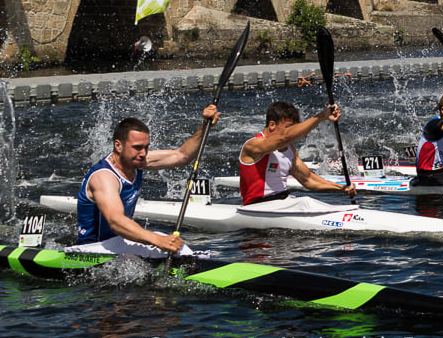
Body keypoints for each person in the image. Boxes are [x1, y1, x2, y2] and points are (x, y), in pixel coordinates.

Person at [76, 104, 220, 252]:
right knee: (163, 241)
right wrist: (158, 240)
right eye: (137, 147)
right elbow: (116, 221)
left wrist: (204, 127)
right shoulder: (104, 177)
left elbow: (181, 156)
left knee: (182, 250)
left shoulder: (137, 161)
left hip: (120, 242)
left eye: (146, 147)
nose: (143, 153)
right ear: (118, 146)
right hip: (94, 249)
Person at [238, 101, 357, 205]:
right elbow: (283, 137)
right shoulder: (253, 146)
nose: (293, 133)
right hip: (258, 206)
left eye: (294, 128)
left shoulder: (289, 149)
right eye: (289, 128)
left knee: (307, 201)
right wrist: (321, 116)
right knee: (305, 202)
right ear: (272, 125)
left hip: (283, 202)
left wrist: (342, 188)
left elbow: (308, 179)